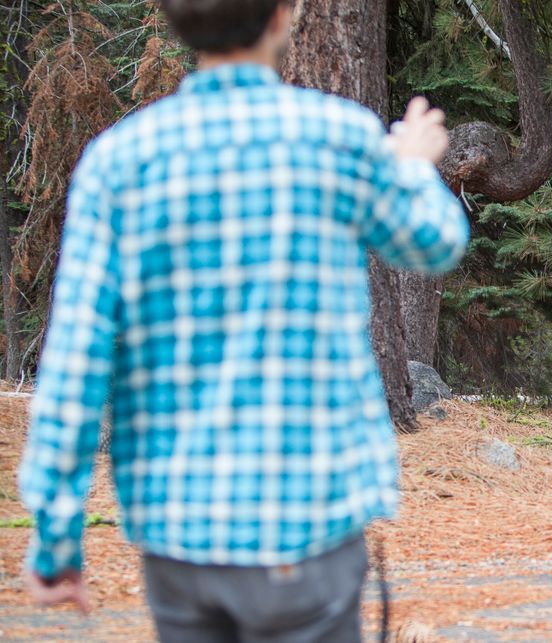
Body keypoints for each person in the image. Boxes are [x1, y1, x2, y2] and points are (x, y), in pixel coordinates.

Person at [18, 0, 468, 639]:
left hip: (178, 537)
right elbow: (435, 242)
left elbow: (75, 362)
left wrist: (57, 539)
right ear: (286, 15)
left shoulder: (118, 162)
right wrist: (415, 166)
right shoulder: (339, 137)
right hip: (309, 526)